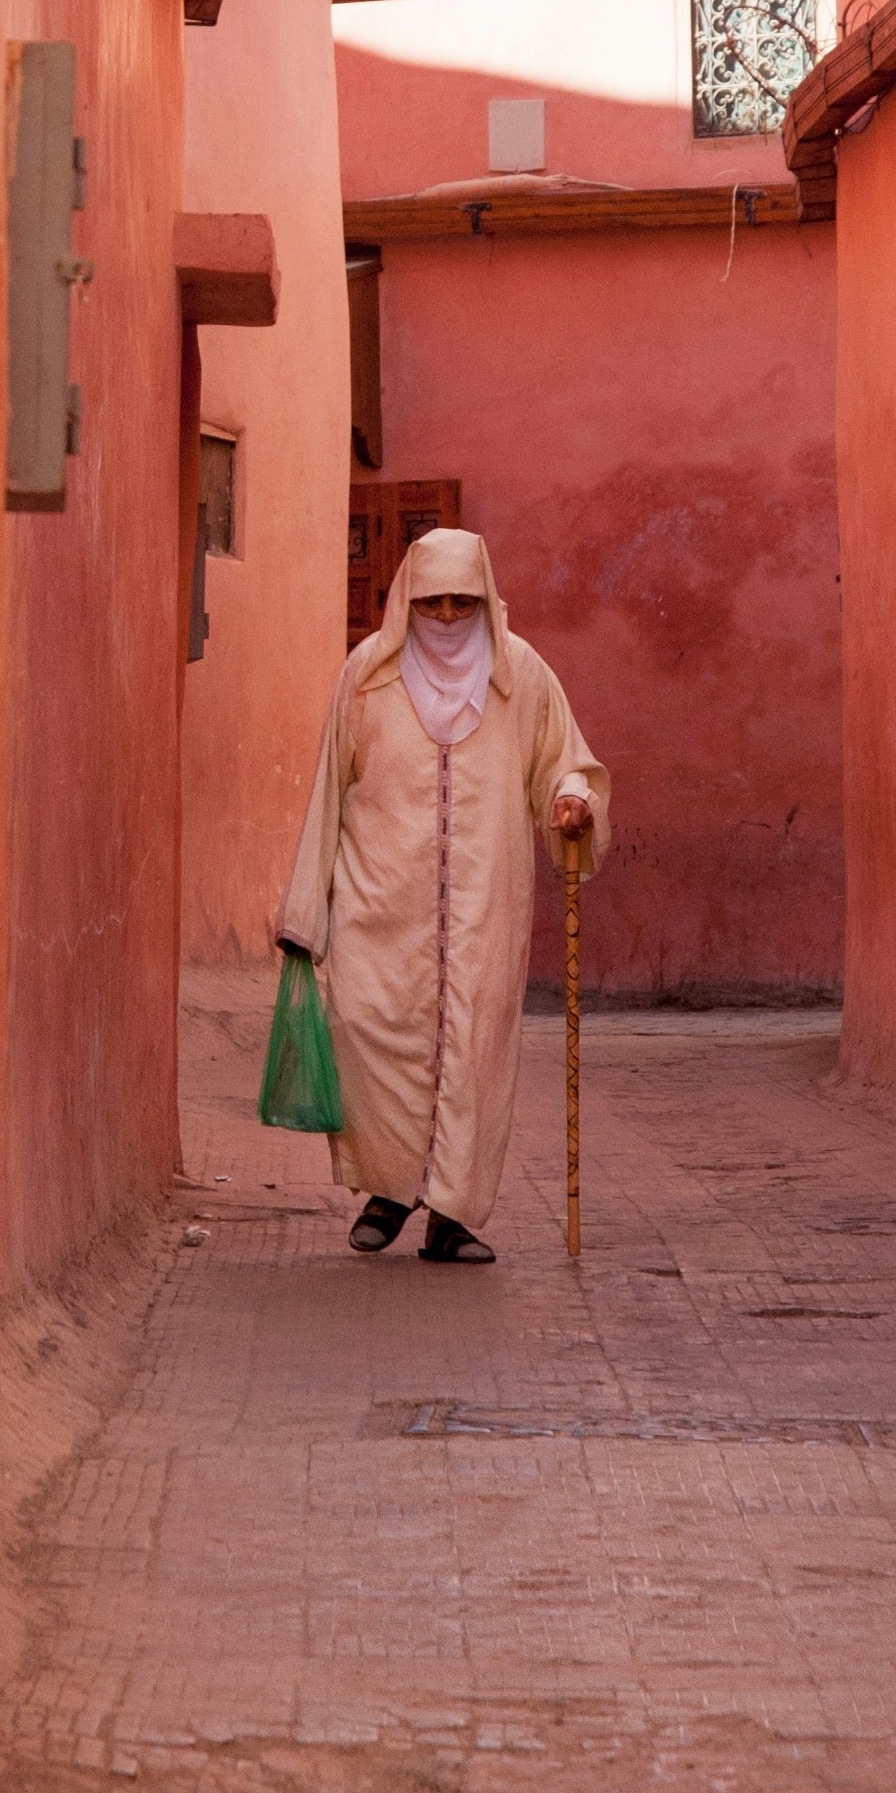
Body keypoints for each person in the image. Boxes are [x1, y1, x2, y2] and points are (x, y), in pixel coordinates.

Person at [276, 526, 608, 1265]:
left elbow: (565, 761)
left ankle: (451, 1214)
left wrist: (571, 798)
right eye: (434, 601)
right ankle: (389, 1189)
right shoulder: (367, 673)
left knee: (472, 1048)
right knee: (367, 1027)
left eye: (463, 600)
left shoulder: (520, 674)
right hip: (378, 898)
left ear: (485, 599)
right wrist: (306, 909)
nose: (450, 616)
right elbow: (329, 787)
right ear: (407, 601)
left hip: (486, 904)